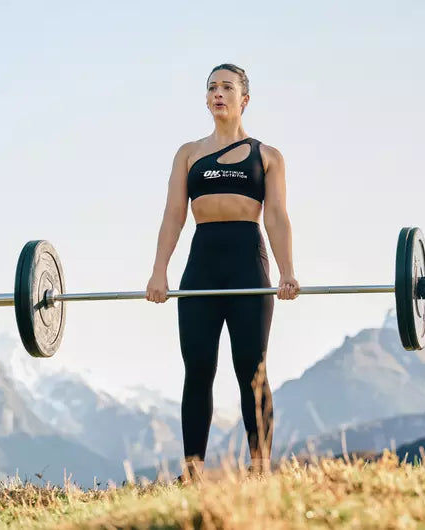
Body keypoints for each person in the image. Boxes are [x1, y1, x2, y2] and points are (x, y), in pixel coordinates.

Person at [145, 63, 299, 480]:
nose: (218, 93)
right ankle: (192, 470)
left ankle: (260, 468)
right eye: (212, 87)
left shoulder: (267, 156)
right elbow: (174, 214)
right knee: (197, 368)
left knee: (252, 368)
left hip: (248, 261)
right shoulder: (188, 153)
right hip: (202, 264)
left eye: (227, 87)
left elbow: (278, 217)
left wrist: (287, 272)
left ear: (244, 99)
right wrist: (159, 272)